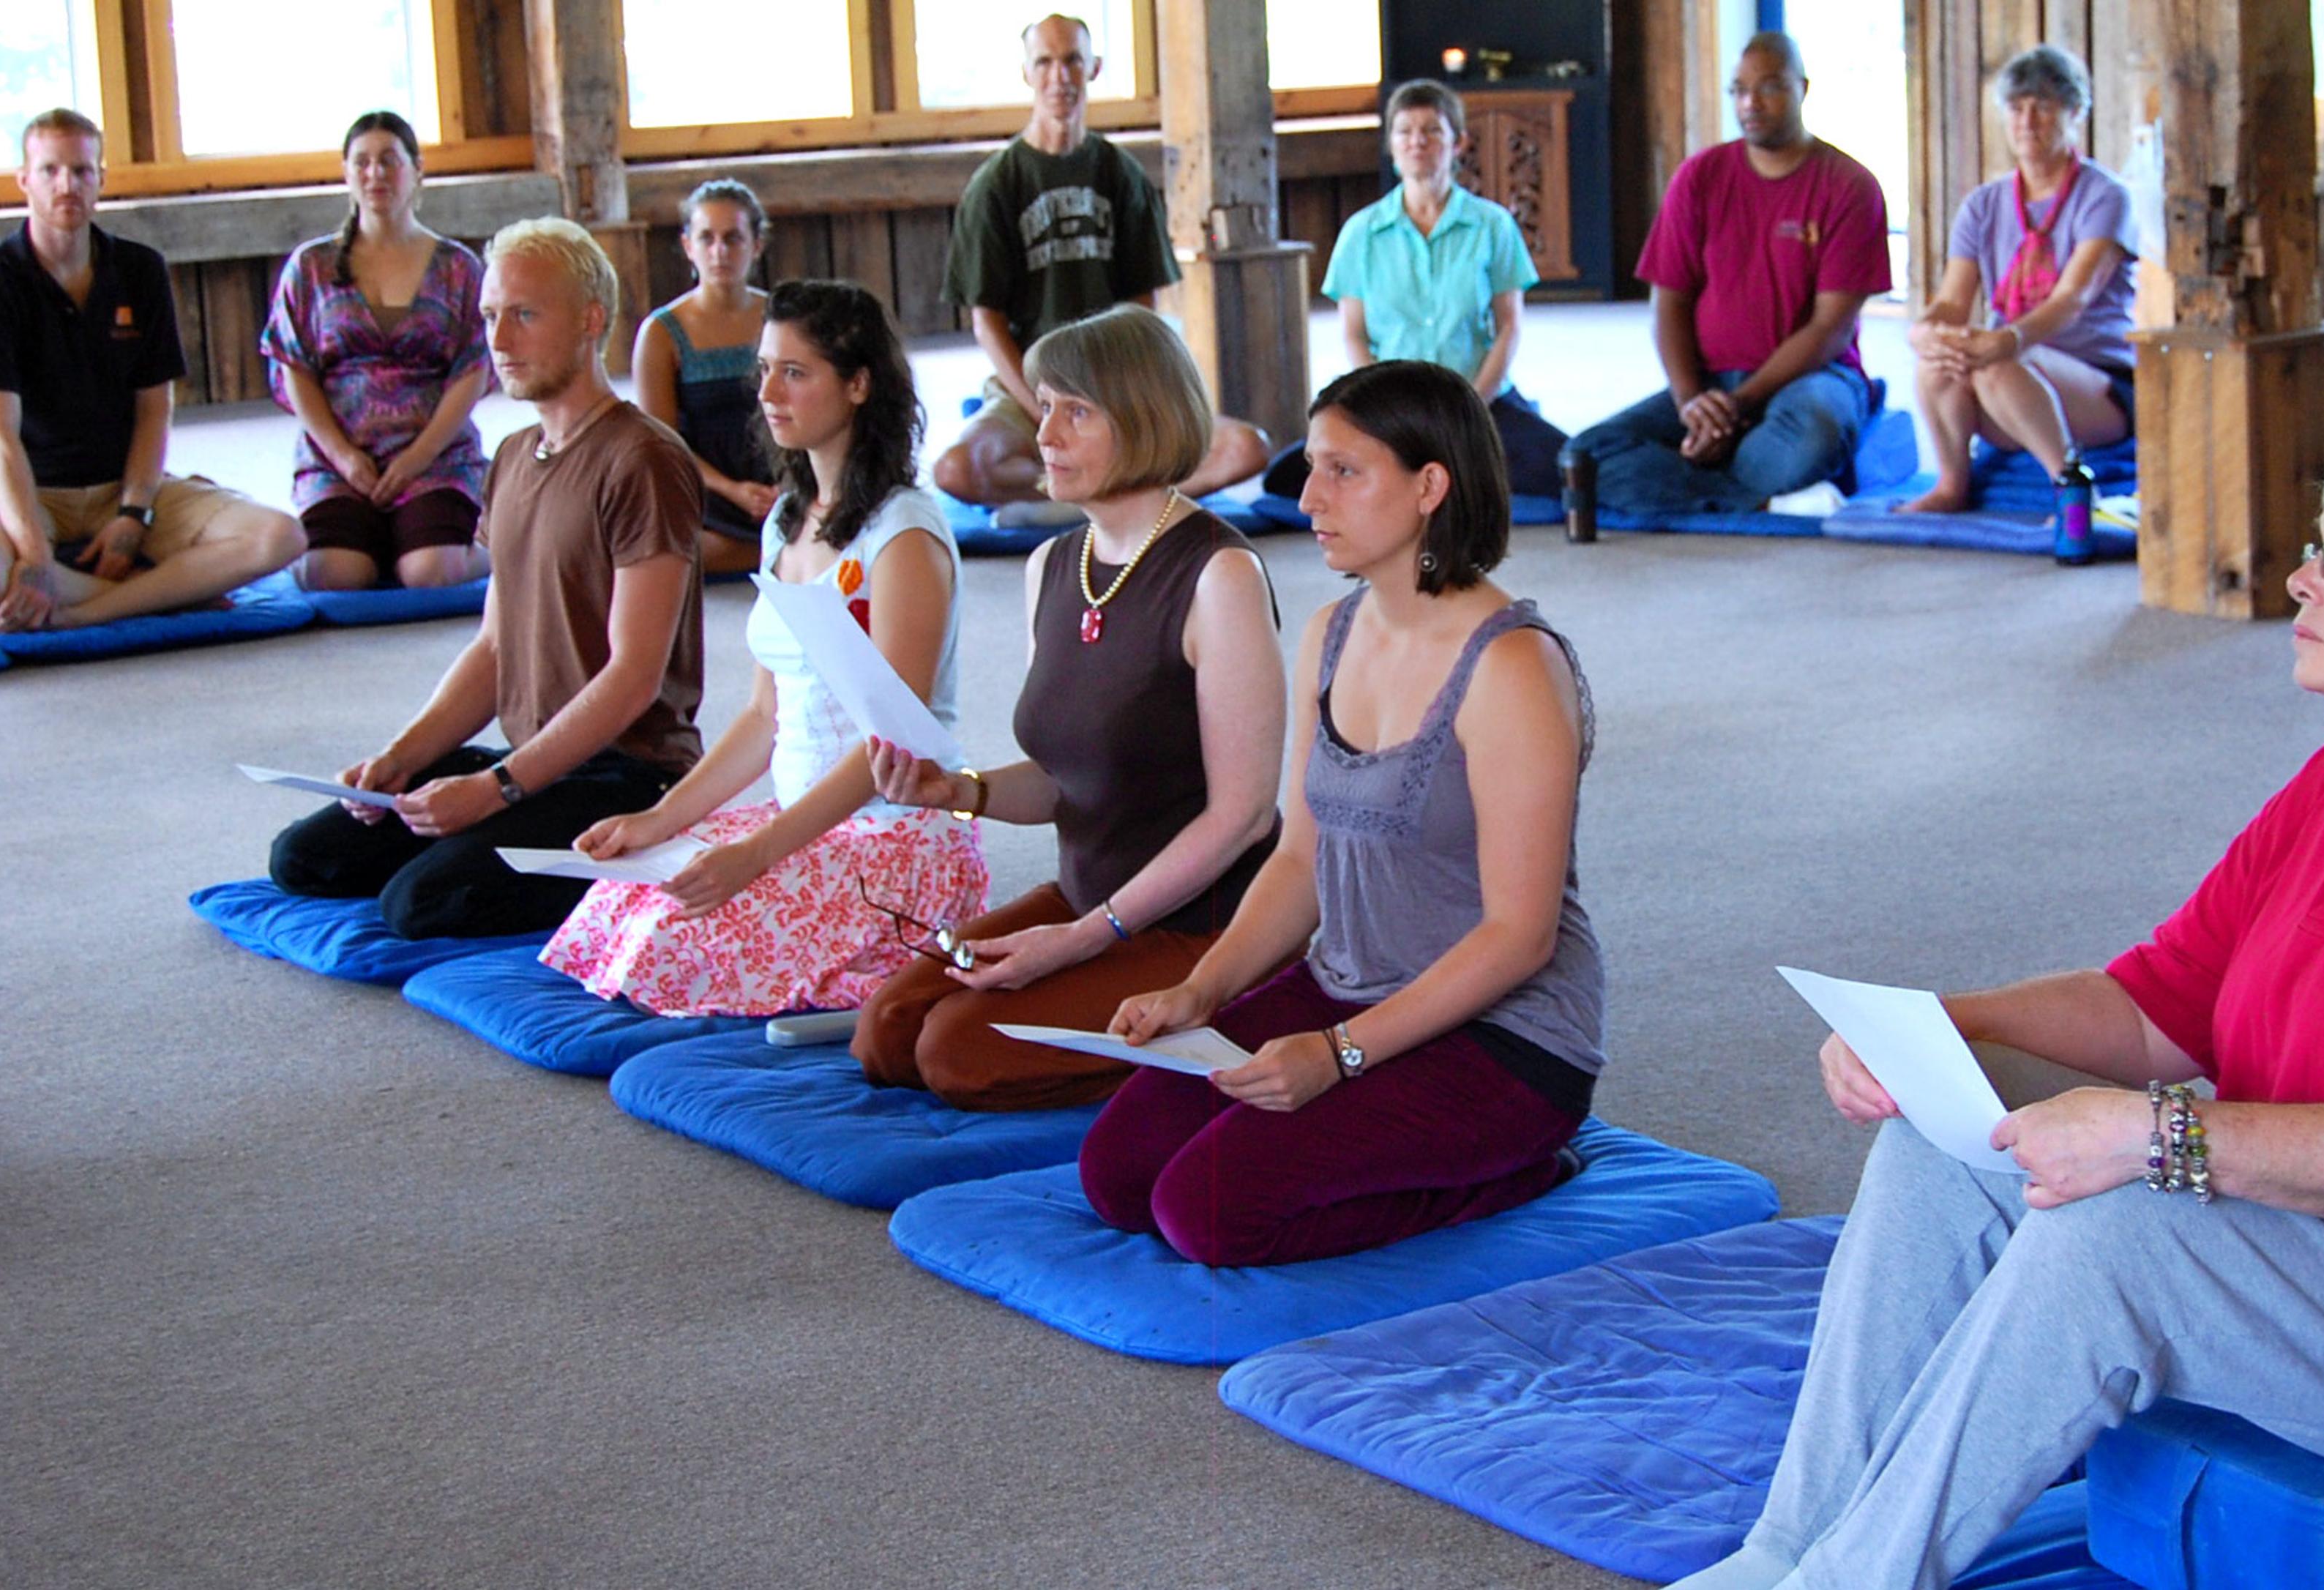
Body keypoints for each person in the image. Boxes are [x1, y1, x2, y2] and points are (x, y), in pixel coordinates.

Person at [1674, 428, 2324, 1590]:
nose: (2305, 577)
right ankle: (1782, 1553)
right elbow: (2152, 1009)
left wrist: (2157, 1136)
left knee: (2122, 1218)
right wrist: (1945, 1025)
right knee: (1937, 1142)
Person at [1082, 358, 1602, 1266]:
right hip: (1348, 985)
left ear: (1430, 486)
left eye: (1344, 471)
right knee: (1118, 1177)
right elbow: (1296, 861)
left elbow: (1521, 936)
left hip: (1503, 1038)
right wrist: (1201, 990)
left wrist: (1339, 1054)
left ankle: (1515, 1170)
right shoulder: (1330, 633)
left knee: (1206, 1215)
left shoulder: (1512, 667)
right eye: (1312, 466)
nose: (1309, 494)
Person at [856, 304, 1285, 1109]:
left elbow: (1245, 817)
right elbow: (1064, 778)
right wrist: (964, 792)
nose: (1042, 434)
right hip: (1089, 897)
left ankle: (1248, 1010)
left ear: (1145, 421)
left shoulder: (1219, 576)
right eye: (1043, 406)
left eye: (1075, 412)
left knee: (956, 1054)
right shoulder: (1053, 564)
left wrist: (1079, 943)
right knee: (887, 1029)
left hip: (1207, 924)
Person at [540, 280, 984, 1016]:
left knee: (671, 952)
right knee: (619, 905)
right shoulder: (785, 520)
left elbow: (892, 744)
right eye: (765, 369)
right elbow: (761, 715)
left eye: (796, 372)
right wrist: (663, 820)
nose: (768, 392)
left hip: (893, 837)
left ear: (859, 384)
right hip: (805, 822)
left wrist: (760, 854)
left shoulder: (902, 535)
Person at [266, 220, 708, 941]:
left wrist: (496, 790)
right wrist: (399, 758)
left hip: (627, 777)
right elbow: (495, 649)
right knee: (307, 859)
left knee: (423, 904)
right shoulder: (511, 457)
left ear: (590, 321)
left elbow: (634, 676)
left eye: (525, 316)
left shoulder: (642, 459)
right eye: (491, 317)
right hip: (532, 761)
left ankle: (641, 856)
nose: (499, 342)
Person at [930, 13, 1270, 520]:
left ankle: (1070, 499)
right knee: (956, 470)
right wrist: (1045, 409)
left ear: (1094, 68)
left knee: (1247, 447)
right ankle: (1113, 494)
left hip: (1112, 385)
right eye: (1044, 62)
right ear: (1026, 73)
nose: (1059, 77)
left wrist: (1119, 398)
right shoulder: (996, 184)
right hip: (1031, 385)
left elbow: (1142, 305)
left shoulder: (1121, 174)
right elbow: (987, 321)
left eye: (1072, 61)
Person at [1561, 33, 1891, 519]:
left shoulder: (1850, 186)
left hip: (1811, 380)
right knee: (1583, 459)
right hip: (1711, 381)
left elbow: (1831, 328)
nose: (1750, 103)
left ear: (1802, 88)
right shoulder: (1700, 177)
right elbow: (1668, 302)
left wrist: (1739, 405)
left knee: (1815, 432)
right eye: (1738, 90)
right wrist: (1693, 403)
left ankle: (1702, 477)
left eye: (1769, 88)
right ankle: (1761, 498)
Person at [0, 109, 304, 632]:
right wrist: (30, 553)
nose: (66, 185)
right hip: (35, 491)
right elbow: (2, 437)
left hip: (127, 485)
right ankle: (170, 593)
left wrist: (133, 514)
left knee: (280, 537)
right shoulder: (2, 278)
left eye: (81, 171)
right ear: (24, 180)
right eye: (50, 171)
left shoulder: (139, 269)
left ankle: (92, 608)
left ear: (101, 180)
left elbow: (153, 411)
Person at [1263, 79, 1567, 501]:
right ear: (1391, 143)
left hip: (1478, 400)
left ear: (1457, 142)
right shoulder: (1362, 232)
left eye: (1432, 130)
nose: (1417, 141)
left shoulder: (1493, 225)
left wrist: (1472, 405)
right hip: (1391, 410)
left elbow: (1509, 327)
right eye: (1405, 131)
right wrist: (1382, 407)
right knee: (1285, 478)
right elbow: (1354, 334)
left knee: (1571, 467)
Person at [1896, 45, 2138, 515]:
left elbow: (2073, 297)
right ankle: (1951, 485)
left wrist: (2009, 339)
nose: (2028, 121)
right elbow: (1951, 302)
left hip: (2098, 382)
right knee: (1938, 364)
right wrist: (1926, 333)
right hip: (2008, 372)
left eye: (2044, 107)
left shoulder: (2106, 196)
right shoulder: (1984, 204)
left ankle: (2069, 488)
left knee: (1995, 365)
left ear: (2074, 114)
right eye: (2017, 107)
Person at [262, 111, 493, 591]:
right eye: (362, 163)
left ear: (417, 169)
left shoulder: (458, 267)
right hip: (339, 458)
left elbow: (472, 369)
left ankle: (495, 545)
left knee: (430, 574)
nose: (376, 174)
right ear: (346, 174)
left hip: (435, 456)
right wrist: (343, 457)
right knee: (336, 575)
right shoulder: (310, 266)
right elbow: (293, 368)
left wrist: (418, 456)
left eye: (390, 161)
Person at [632, 179, 777, 576]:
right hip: (705, 486)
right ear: (688, 246)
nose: (720, 252)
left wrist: (792, 486)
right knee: (664, 553)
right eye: (707, 238)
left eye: (733, 238)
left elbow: (814, 414)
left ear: (756, 245)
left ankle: (783, 542)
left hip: (781, 479)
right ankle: (780, 550)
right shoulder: (661, 333)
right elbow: (662, 444)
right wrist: (733, 491)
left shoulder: (782, 317)